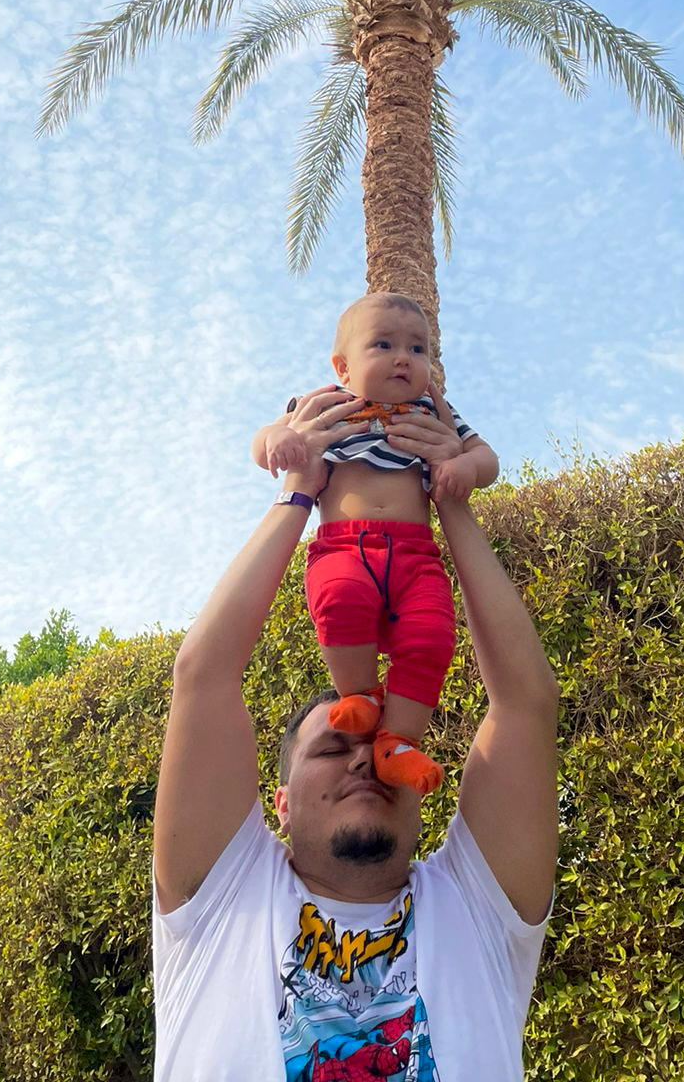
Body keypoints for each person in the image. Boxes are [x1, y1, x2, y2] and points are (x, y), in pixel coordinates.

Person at [153, 391, 559, 1080]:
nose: (363, 761)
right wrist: (298, 493)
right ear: (278, 805)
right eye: (332, 747)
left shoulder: (478, 908)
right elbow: (203, 675)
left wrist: (446, 497)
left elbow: (526, 705)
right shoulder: (221, 896)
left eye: (375, 749)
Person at [249, 293, 499, 796]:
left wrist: (464, 468)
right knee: (338, 603)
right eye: (383, 344)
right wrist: (276, 441)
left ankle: (399, 741)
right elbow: (267, 437)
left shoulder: (434, 411)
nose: (403, 358)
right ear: (342, 366)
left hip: (416, 553)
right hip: (345, 546)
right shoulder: (325, 406)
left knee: (432, 636)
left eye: (418, 348)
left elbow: (486, 457)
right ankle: (359, 692)